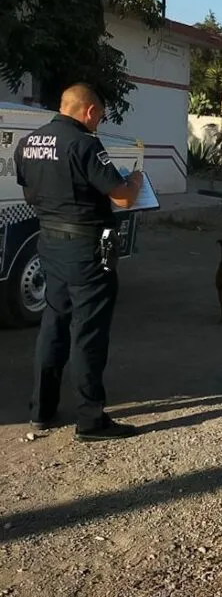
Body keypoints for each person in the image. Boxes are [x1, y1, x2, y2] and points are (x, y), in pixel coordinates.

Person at [14, 83, 143, 442]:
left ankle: (41, 411)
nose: (98, 123)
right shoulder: (85, 144)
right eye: (99, 117)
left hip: (49, 244)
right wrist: (134, 181)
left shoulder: (30, 142)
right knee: (88, 333)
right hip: (86, 251)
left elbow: (29, 192)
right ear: (88, 111)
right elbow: (122, 198)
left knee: (53, 326)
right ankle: (90, 420)